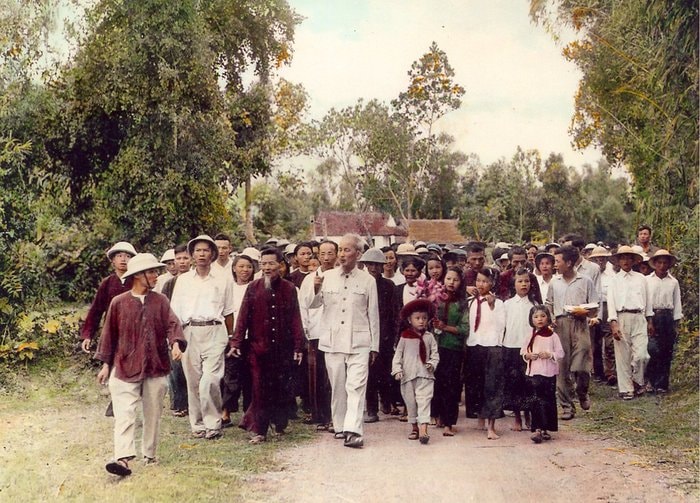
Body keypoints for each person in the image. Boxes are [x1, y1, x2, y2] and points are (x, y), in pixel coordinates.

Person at [95, 253, 186, 477]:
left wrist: (176, 343)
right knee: (124, 413)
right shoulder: (119, 302)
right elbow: (108, 336)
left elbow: (172, 324)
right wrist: (106, 364)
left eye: (156, 271)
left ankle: (150, 455)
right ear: (138, 276)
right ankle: (123, 459)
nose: (156, 275)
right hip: (124, 366)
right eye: (152, 272)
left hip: (155, 365)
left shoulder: (161, 301)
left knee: (152, 412)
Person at [310, 233, 380, 448]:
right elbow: (313, 305)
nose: (341, 254)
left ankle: (353, 430)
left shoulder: (368, 281)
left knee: (356, 386)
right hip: (332, 341)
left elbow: (373, 314)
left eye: (346, 250)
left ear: (358, 254)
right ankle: (340, 426)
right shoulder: (326, 276)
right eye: (340, 250)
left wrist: (374, 346)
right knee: (338, 386)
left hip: (359, 341)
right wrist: (316, 288)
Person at [229, 247, 303, 443]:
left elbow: (296, 318)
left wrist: (297, 346)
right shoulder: (253, 287)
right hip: (257, 348)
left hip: (282, 349)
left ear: (280, 265)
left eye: (271, 263)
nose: (267, 267)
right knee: (259, 387)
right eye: (264, 264)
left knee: (280, 386)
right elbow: (243, 316)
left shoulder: (289, 289)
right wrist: (236, 341)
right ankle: (259, 430)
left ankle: (279, 423)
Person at [169, 235, 234, 440]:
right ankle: (197, 424)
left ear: (213, 253)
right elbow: (175, 314)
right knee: (194, 381)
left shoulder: (223, 279)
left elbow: (229, 312)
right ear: (192, 255)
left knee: (210, 380)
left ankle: (213, 423)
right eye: (198, 250)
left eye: (206, 250)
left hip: (215, 331)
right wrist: (176, 342)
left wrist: (231, 338)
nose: (202, 254)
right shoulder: (183, 280)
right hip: (189, 332)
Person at [545, 245, 598, 419]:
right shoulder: (555, 282)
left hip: (580, 323)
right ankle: (567, 406)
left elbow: (595, 305)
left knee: (581, 364)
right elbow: (549, 303)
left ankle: (582, 392)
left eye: (558, 261)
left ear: (568, 262)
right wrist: (550, 317)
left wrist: (586, 312)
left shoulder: (585, 281)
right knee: (561, 366)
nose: (555, 265)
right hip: (560, 324)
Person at [299, 240, 337, 430]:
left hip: (336, 332)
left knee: (333, 377)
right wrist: (305, 331)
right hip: (316, 332)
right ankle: (320, 415)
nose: (327, 257)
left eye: (331, 253)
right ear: (318, 255)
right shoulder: (310, 278)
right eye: (323, 253)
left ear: (337, 255)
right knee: (317, 377)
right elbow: (304, 305)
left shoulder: (341, 276)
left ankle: (334, 417)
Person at [607, 246, 652, 400]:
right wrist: (613, 322)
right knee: (622, 355)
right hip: (621, 317)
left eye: (628, 258)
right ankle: (626, 389)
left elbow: (648, 301)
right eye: (622, 258)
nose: (625, 261)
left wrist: (649, 319)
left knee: (642, 355)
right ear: (618, 261)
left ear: (634, 260)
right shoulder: (614, 280)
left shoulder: (641, 279)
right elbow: (611, 303)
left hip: (639, 317)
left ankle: (638, 381)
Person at [392, 299, 439, 445]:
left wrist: (431, 363)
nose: (421, 321)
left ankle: (424, 430)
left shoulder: (429, 337)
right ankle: (414, 428)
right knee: (411, 403)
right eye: (417, 318)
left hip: (425, 375)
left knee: (424, 401)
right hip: (408, 376)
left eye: (424, 318)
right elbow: (397, 356)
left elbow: (435, 355)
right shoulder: (405, 337)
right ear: (409, 320)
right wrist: (397, 370)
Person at [220, 248, 259, 427]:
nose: (245, 270)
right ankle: (226, 411)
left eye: (249, 266)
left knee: (250, 377)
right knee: (230, 376)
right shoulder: (228, 287)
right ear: (234, 268)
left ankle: (248, 414)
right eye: (241, 266)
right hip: (232, 337)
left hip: (252, 338)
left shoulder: (256, 287)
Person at [465, 267, 505, 440]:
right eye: (479, 280)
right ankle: (480, 416)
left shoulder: (499, 304)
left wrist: (492, 304)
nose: (481, 284)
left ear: (493, 283)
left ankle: (492, 426)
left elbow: (501, 326)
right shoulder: (470, 302)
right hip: (474, 346)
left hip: (492, 347)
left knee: (492, 386)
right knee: (476, 384)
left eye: (485, 281)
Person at [358, 248, 397, 423]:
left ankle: (387, 400)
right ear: (365, 265)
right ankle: (371, 408)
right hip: (365, 333)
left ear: (383, 266)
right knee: (370, 372)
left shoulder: (389, 286)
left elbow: (395, 313)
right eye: (370, 264)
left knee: (386, 370)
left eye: (377, 265)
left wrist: (393, 335)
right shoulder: (360, 283)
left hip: (385, 335)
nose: (373, 268)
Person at [431, 266, 468, 437]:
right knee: (437, 382)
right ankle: (436, 415)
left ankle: (449, 423)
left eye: (455, 280)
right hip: (436, 347)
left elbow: (464, 328)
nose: (451, 283)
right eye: (448, 279)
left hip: (453, 347)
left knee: (452, 385)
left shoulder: (462, 303)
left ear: (461, 283)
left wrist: (446, 327)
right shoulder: (435, 298)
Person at [80, 241, 137, 353]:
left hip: (134, 331)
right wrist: (88, 335)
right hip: (111, 330)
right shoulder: (107, 283)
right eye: (119, 256)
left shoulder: (138, 281)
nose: (123, 259)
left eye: (128, 256)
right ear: (113, 261)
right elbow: (96, 310)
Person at [521, 305, 564, 444]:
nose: (539, 319)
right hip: (535, 372)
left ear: (548, 318)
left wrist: (550, 354)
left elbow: (560, 353)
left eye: (543, 316)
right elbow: (523, 352)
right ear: (531, 319)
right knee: (536, 400)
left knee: (548, 400)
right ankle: (537, 428)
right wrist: (528, 356)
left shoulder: (553, 336)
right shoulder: (530, 335)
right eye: (536, 317)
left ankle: (546, 428)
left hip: (549, 373)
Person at [502, 268, 537, 432]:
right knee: (514, 383)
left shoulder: (535, 305)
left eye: (527, 281)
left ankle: (528, 415)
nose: (524, 284)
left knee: (529, 384)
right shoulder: (507, 304)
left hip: (529, 350)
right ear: (513, 284)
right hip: (511, 347)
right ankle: (517, 417)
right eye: (520, 281)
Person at [645, 249, 683, 393]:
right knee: (652, 349)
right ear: (654, 264)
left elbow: (677, 303)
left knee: (666, 351)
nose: (662, 265)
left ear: (669, 265)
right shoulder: (648, 280)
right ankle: (650, 380)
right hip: (653, 315)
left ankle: (662, 384)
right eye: (659, 262)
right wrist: (649, 321)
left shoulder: (673, 282)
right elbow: (647, 301)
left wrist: (676, 323)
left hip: (667, 317)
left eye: (665, 263)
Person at [588, 246, 617, 385]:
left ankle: (610, 372)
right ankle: (597, 372)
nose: (600, 261)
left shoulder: (612, 274)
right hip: (592, 307)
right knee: (594, 341)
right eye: (597, 258)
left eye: (603, 258)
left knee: (609, 341)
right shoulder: (589, 273)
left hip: (607, 306)